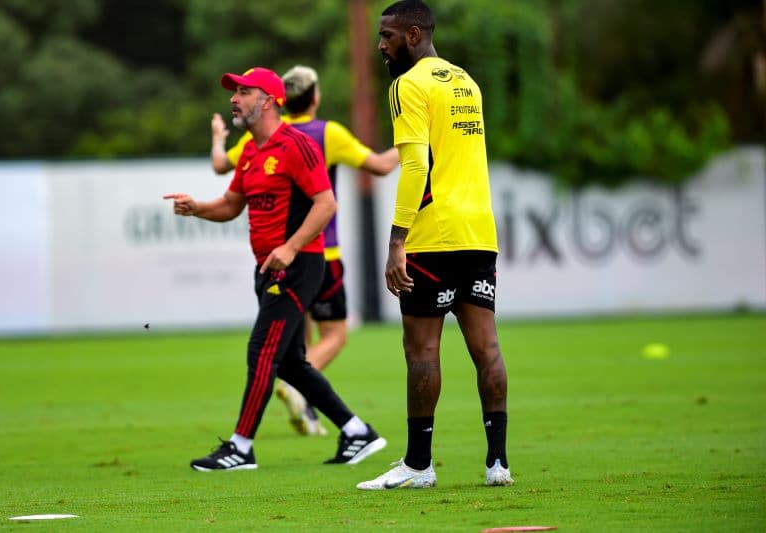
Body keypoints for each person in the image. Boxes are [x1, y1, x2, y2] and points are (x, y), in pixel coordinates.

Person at [165, 67, 387, 471]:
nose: (233, 98)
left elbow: (326, 203)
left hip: (298, 265)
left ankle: (240, 447)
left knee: (261, 351)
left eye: (243, 91)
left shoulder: (297, 145)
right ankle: (357, 432)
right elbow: (232, 206)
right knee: (289, 363)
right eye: (233, 91)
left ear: (268, 100)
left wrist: (290, 246)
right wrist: (197, 208)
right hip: (269, 267)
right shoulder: (250, 150)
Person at [357, 0, 514, 490]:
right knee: (486, 345)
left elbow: (416, 167)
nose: (380, 46)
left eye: (387, 36)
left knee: (421, 348)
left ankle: (419, 466)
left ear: (413, 33)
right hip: (478, 230)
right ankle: (498, 464)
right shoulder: (465, 81)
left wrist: (397, 240)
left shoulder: (408, 85)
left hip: (433, 232)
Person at [210, 65, 399, 437]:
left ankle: (335, 419)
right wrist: (414, 145)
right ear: (314, 97)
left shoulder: (263, 137)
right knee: (331, 338)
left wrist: (217, 138)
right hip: (318, 256)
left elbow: (220, 165)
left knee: (291, 346)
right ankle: (299, 393)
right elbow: (380, 166)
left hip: (286, 257)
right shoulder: (327, 133)